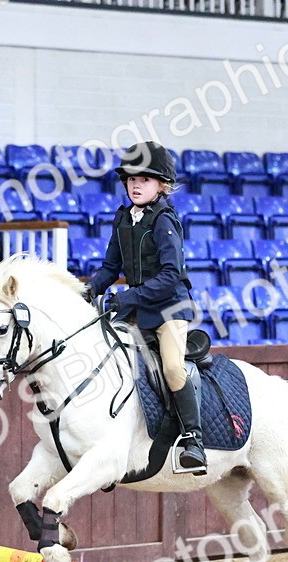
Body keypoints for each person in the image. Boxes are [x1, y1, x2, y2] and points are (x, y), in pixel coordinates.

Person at [83, 141, 205, 473]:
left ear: (162, 185)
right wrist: (87, 290)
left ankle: (193, 439)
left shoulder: (165, 220)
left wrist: (127, 298)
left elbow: (170, 275)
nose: (136, 184)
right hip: (136, 309)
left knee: (172, 368)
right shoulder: (123, 218)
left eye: (145, 179)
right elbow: (110, 268)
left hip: (169, 309)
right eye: (131, 179)